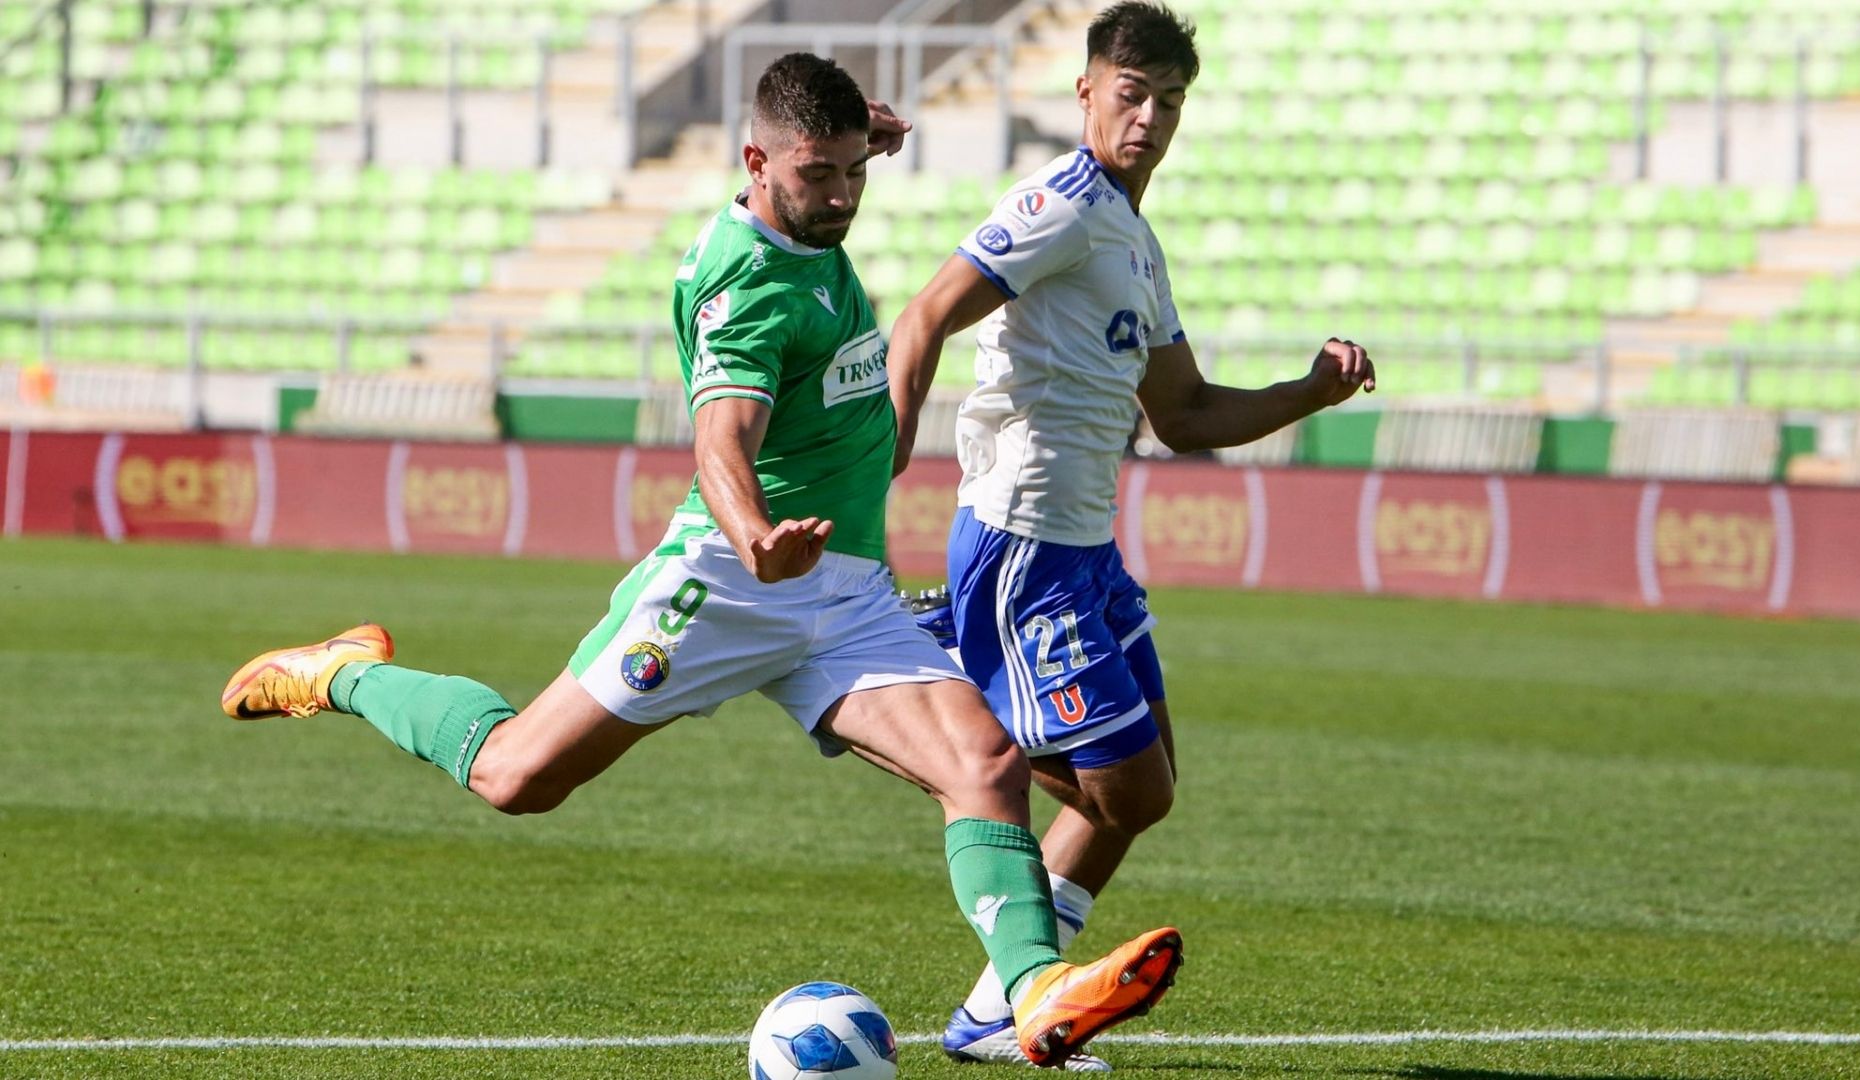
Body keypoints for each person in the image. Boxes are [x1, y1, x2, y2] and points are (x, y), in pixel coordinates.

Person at [219, 53, 1180, 1070]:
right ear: (756, 161)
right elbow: (720, 440)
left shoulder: (805, 196)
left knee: (984, 766)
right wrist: (756, 534)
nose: (843, 194)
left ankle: (1029, 994)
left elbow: (829, 156)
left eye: (855, 169)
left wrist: (862, 136)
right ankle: (343, 671)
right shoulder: (748, 286)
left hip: (844, 591)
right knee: (515, 776)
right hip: (726, 583)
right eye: (821, 176)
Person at [885, 4, 1376, 1069]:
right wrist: (886, 452)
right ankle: (927, 689)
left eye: (1169, 100)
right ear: (1087, 94)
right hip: (1020, 541)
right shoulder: (1058, 204)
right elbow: (925, 314)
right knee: (1130, 787)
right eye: (1130, 92)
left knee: (1143, 792)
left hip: (1085, 551)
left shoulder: (1135, 242)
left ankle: (992, 1012)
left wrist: (1310, 392)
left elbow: (1186, 416)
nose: (1149, 116)